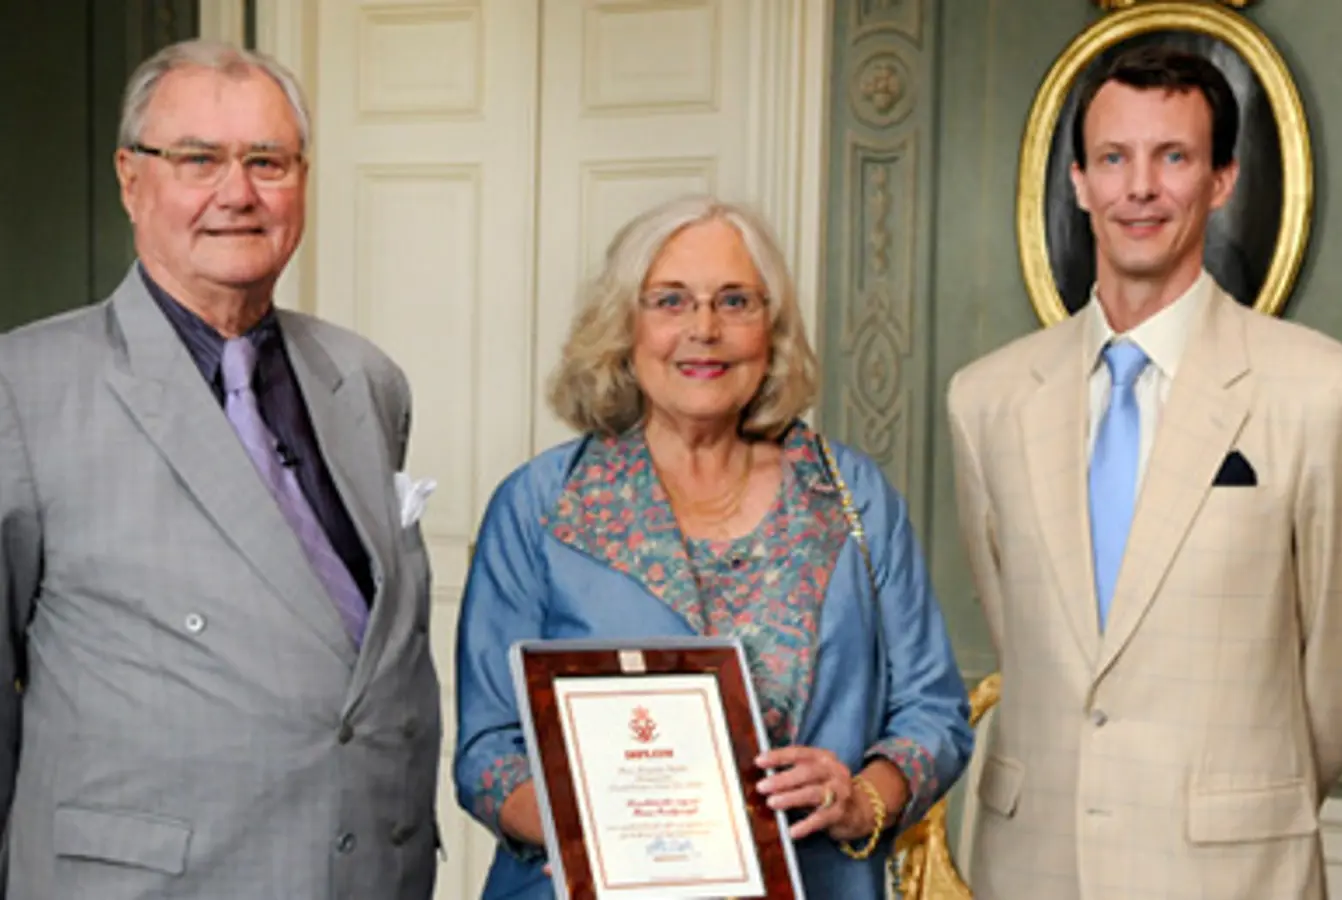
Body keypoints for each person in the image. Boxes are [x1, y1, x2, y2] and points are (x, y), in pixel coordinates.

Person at [0, 40, 441, 900]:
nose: (237, 194)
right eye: (198, 159)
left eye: (267, 161)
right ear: (131, 179)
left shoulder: (366, 380)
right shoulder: (22, 389)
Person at [454, 194, 973, 899]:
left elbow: (933, 711)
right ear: (625, 327)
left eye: (735, 302)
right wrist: (585, 832)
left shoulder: (851, 496)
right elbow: (486, 752)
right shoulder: (541, 506)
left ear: (772, 329)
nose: (704, 329)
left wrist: (860, 800)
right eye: (670, 301)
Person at [948, 45, 1342, 900]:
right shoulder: (985, 400)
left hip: (1233, 870)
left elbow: (1340, 669)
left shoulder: (1323, 392)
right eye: (1114, 158)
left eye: (1172, 157)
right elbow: (1028, 636)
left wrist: (1244, 805)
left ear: (1221, 180)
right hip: (1033, 867)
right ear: (1078, 182)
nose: (1139, 188)